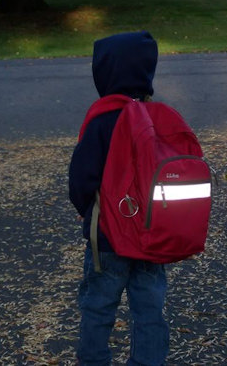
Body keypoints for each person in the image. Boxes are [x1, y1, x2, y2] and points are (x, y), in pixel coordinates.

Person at [69, 31, 169, 366]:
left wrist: (86, 209)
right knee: (149, 309)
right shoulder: (157, 117)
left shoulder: (102, 119)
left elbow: (82, 178)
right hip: (153, 234)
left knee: (98, 306)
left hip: (108, 234)